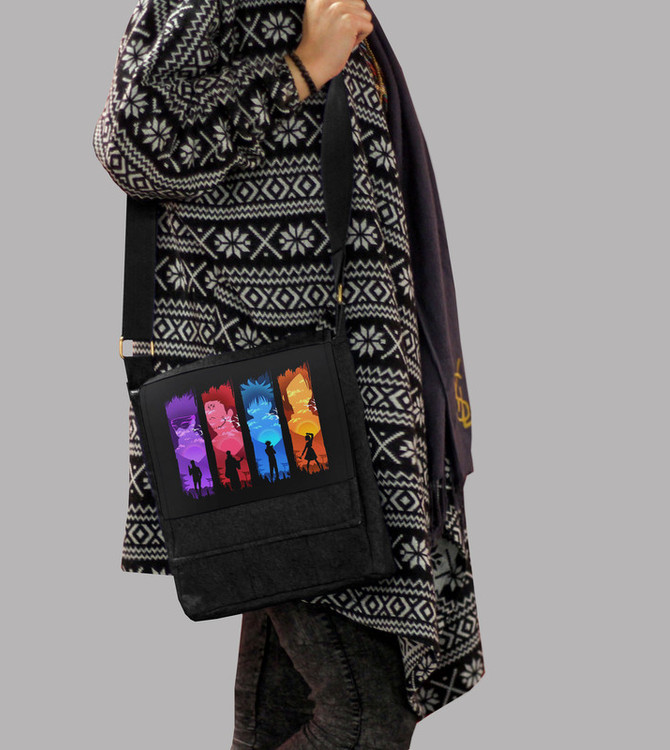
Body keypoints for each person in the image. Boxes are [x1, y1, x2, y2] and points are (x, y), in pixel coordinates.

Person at [92, 1, 485, 747]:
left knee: (284, 717)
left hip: (322, 404)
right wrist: (302, 71)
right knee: (366, 718)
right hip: (277, 415)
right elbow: (134, 141)